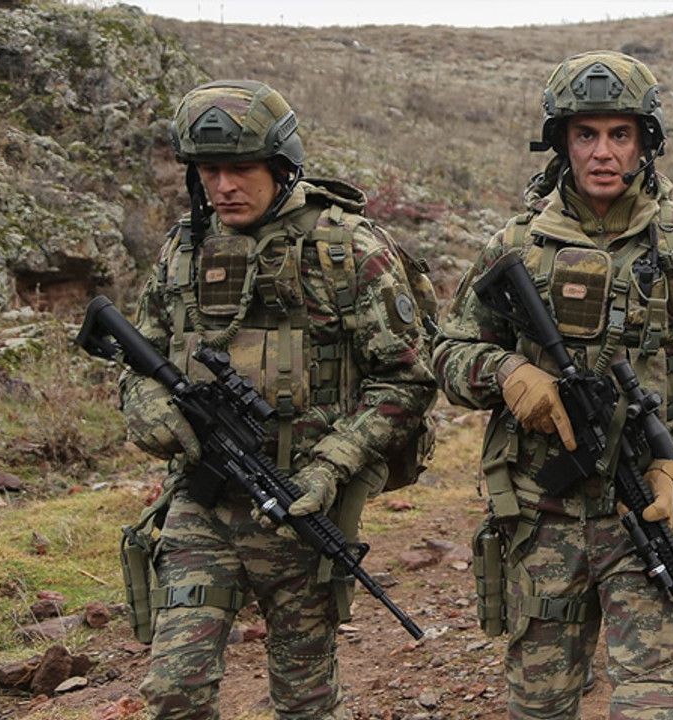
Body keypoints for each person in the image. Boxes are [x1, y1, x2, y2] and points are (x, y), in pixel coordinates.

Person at [432, 50, 673, 720]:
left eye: (621, 134)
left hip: (648, 513)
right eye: (585, 134)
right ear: (561, 141)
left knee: (650, 705)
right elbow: (447, 352)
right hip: (540, 520)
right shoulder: (516, 246)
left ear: (646, 143)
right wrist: (507, 372)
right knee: (538, 707)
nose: (603, 152)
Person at [121, 79, 438, 719]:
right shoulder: (184, 251)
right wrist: (144, 404)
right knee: (175, 689)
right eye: (209, 171)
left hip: (300, 509)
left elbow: (408, 381)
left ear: (280, 163)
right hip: (202, 504)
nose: (224, 186)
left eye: (241, 168)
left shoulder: (348, 250)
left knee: (305, 700)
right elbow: (137, 359)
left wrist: (330, 467)